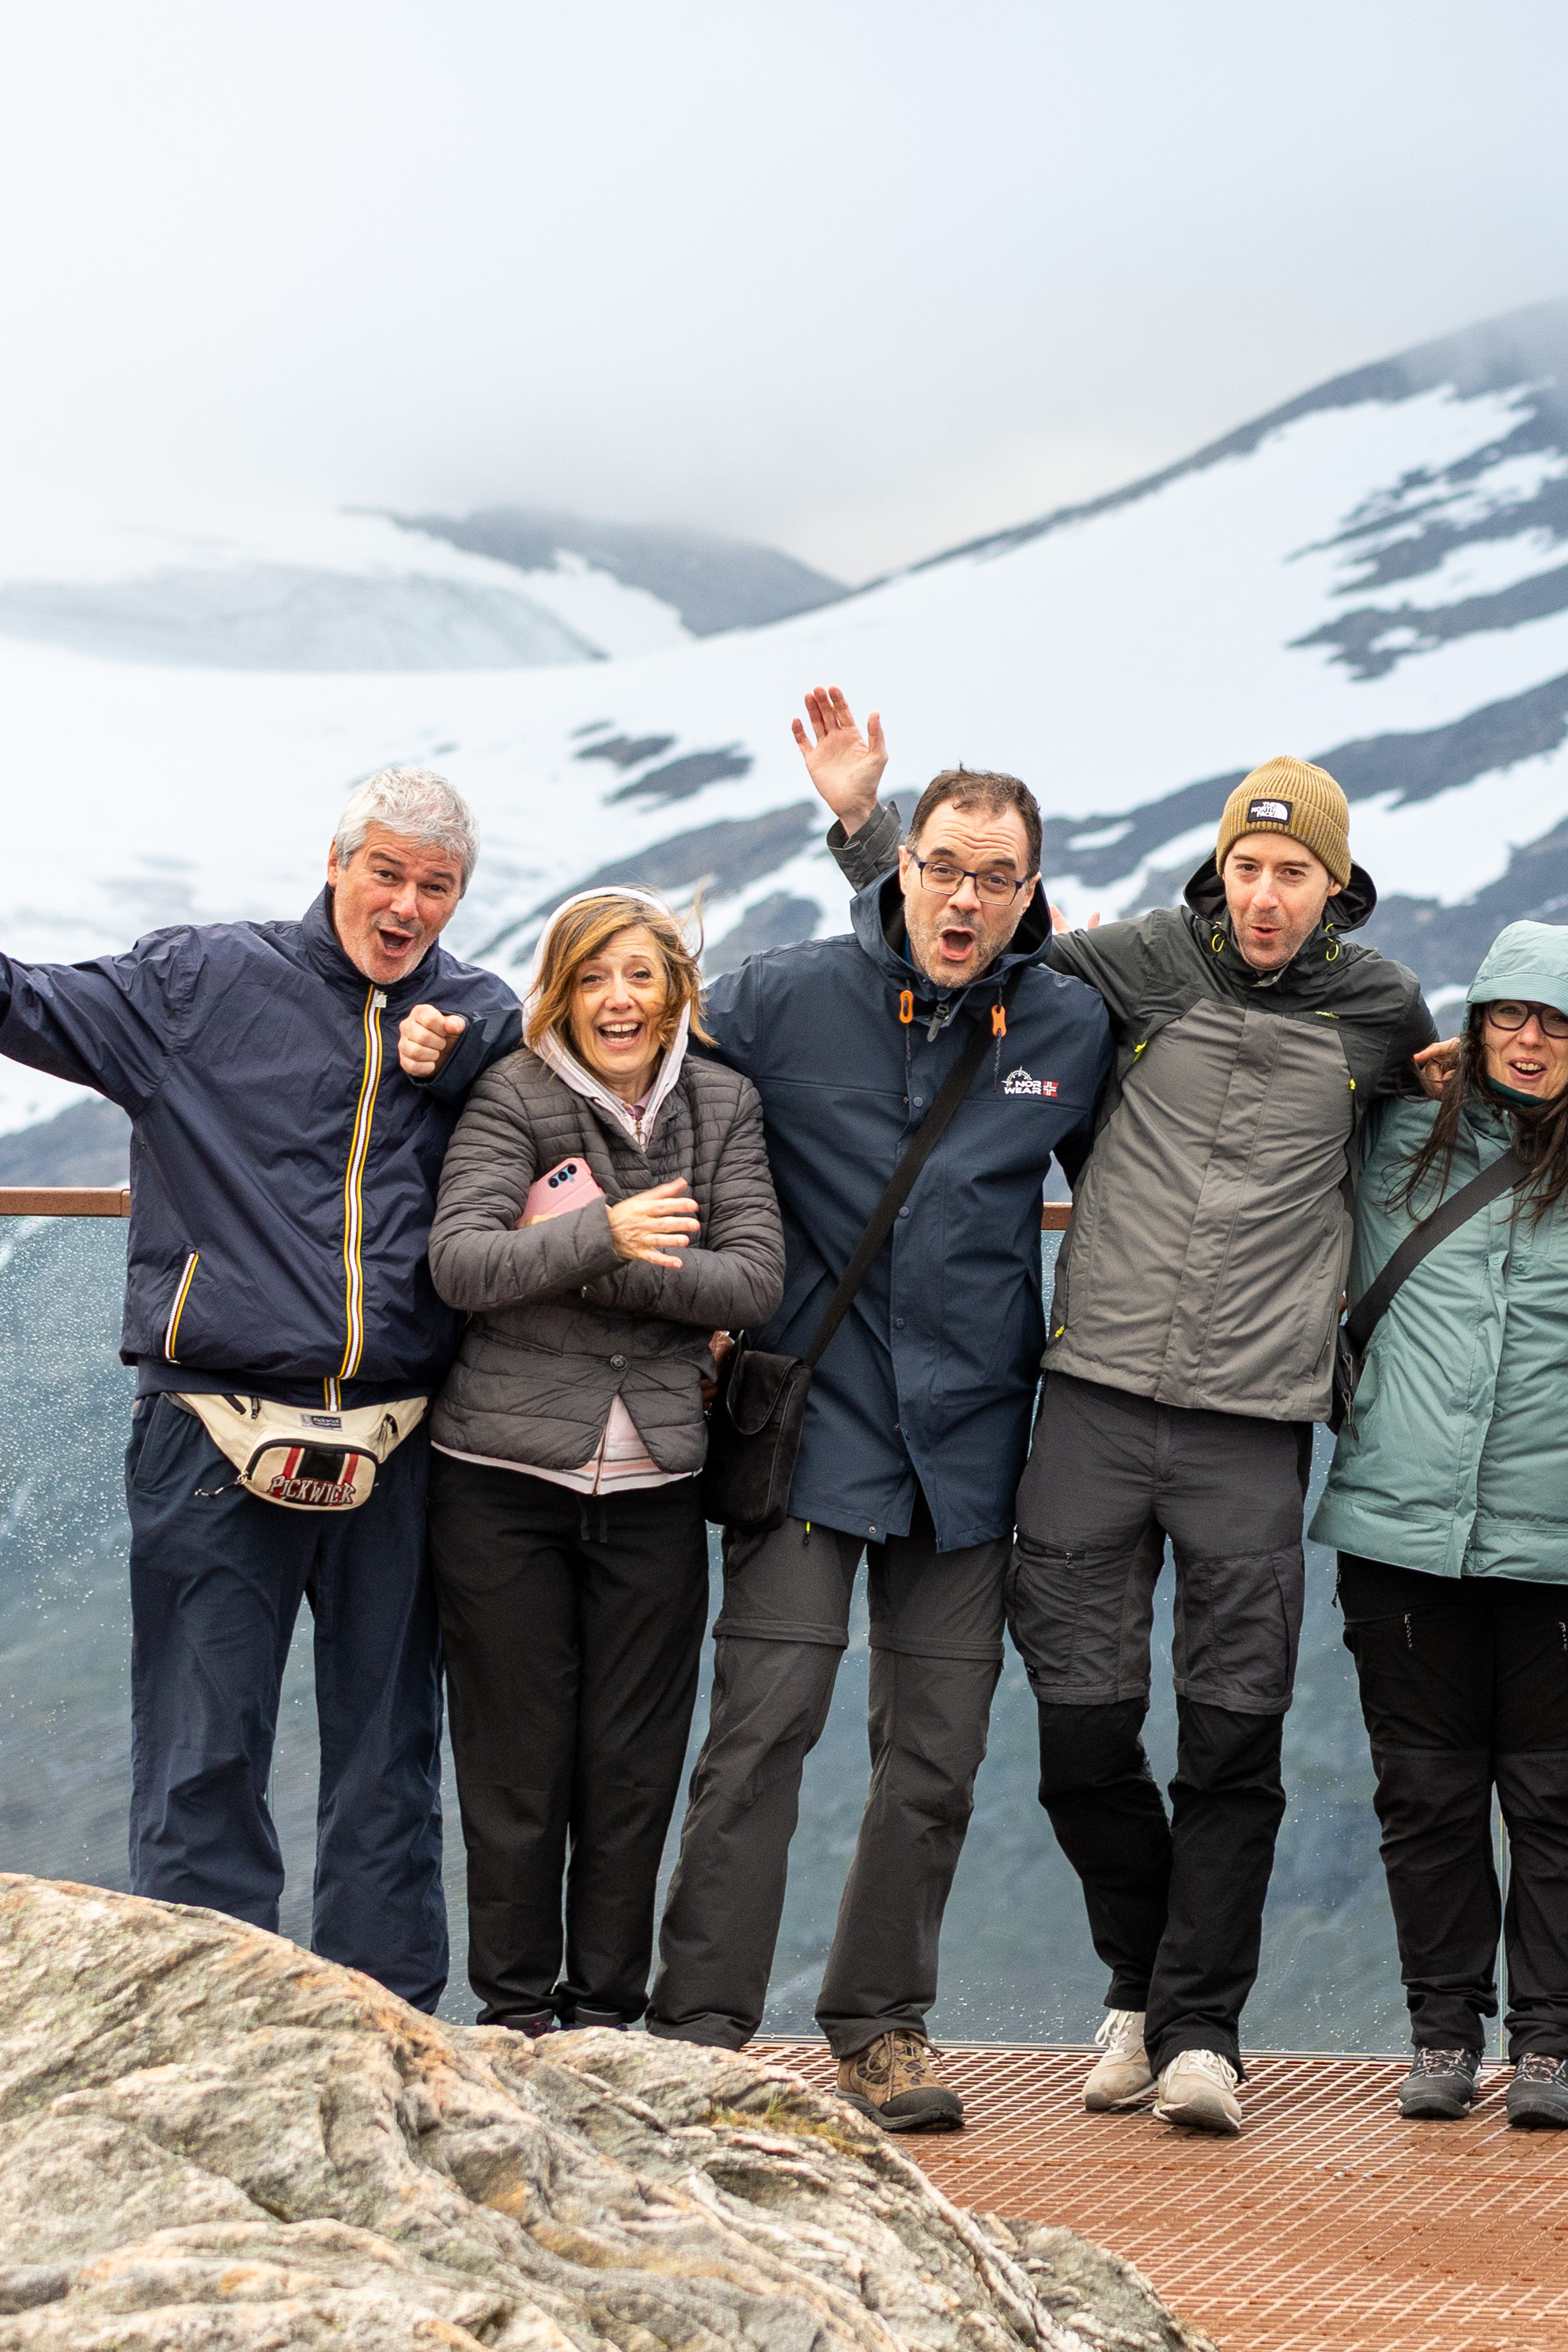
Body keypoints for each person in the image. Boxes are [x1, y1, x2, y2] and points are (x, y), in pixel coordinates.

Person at [0, 771, 518, 2008]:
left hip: (400, 1441)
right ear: (334, 861)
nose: (405, 905)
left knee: (391, 1754)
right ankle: (203, 2015)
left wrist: (459, 1061)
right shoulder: (203, 984)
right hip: (212, 1427)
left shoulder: (476, 1013)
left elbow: (571, 1121)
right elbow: (27, 1004)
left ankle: (391, 2022)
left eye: (434, 886)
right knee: (202, 1745)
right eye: (384, 872)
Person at [811, 738, 1430, 2135]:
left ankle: (1199, 2033)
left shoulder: (1385, 1015)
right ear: (1222, 871)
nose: (1269, 896)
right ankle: (1145, 1985)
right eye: (1252, 869)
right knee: (1084, 1736)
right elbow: (957, 946)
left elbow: (1483, 1116)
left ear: (1340, 890)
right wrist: (868, 842)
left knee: (1232, 1736)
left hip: (1255, 1426)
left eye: (1299, 875)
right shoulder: (1128, 966)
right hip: (1092, 1402)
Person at [646, 699, 1112, 2138]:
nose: (966, 896)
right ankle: (702, 2033)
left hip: (973, 1448)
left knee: (938, 1755)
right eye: (945, 866)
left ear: (1033, 895)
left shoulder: (1074, 1025)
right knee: (762, 1731)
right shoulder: (780, 997)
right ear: (899, 867)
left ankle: (880, 2026)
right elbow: (625, 1076)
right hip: (811, 1425)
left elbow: (1165, 1173)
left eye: (998, 876)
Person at [1309, 921, 1568, 2133]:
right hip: (1403, 1532)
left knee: (1559, 1802)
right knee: (1422, 1797)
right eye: (1508, 1018)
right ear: (1470, 1031)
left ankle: (1553, 2045)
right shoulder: (1392, 1139)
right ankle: (1441, 2031)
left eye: (1558, 1024)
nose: (1530, 1043)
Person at [422, 885, 781, 2034]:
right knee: (516, 1770)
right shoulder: (513, 1092)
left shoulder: (722, 1103)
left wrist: (574, 1253)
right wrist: (615, 1234)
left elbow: (753, 1282)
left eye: (638, 976)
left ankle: (604, 2021)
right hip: (499, 1482)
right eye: (590, 978)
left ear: (677, 989)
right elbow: (465, 1263)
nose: (616, 1001)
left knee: (631, 1774)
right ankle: (518, 2015)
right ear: (558, 993)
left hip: (658, 1488)